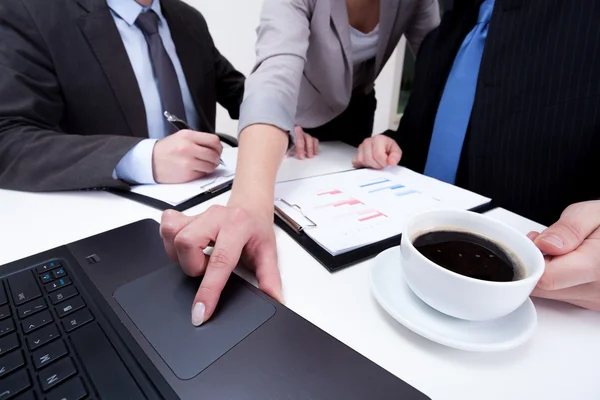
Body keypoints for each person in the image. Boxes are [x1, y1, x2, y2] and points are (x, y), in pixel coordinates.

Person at [160, 0, 441, 326]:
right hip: (295, 119)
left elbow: (438, 68)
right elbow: (274, 76)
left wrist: (397, 135)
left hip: (359, 111)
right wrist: (250, 202)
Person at [352, 0, 600, 310]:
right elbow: (419, 137)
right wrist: (389, 143)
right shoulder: (443, 32)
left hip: (541, 305)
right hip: (394, 276)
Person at [0, 0, 245, 191]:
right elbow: (9, 140)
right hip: (103, 221)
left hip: (209, 200)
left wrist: (278, 119)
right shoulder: (31, 13)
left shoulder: (189, 19)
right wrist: (139, 159)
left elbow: (239, 92)